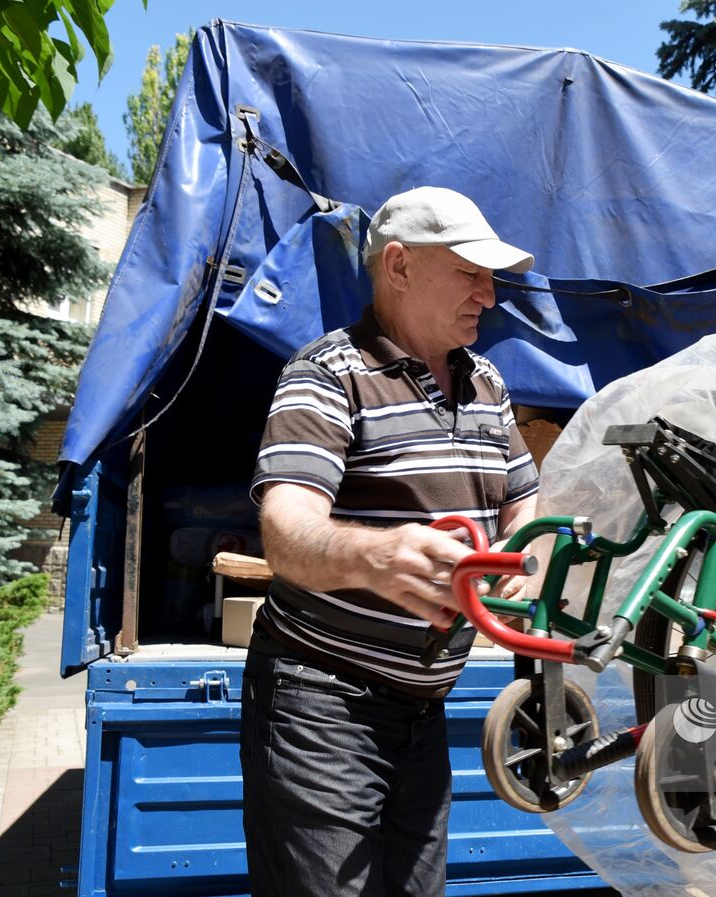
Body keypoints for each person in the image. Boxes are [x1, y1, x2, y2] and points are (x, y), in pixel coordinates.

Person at [240, 186, 540, 897]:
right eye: (471, 272)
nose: (489, 296)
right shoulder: (326, 375)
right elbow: (286, 530)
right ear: (398, 266)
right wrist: (378, 556)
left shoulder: (487, 384)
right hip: (322, 707)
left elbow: (524, 500)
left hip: (422, 711)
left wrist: (525, 564)